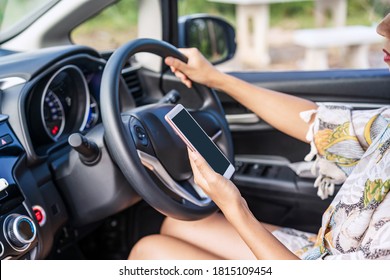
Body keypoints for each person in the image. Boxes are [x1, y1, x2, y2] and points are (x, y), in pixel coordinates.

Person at [128, 13, 390, 260]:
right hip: (327, 252)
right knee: (179, 225)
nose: (382, 27)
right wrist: (216, 78)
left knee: (148, 252)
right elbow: (324, 127)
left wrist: (235, 207)